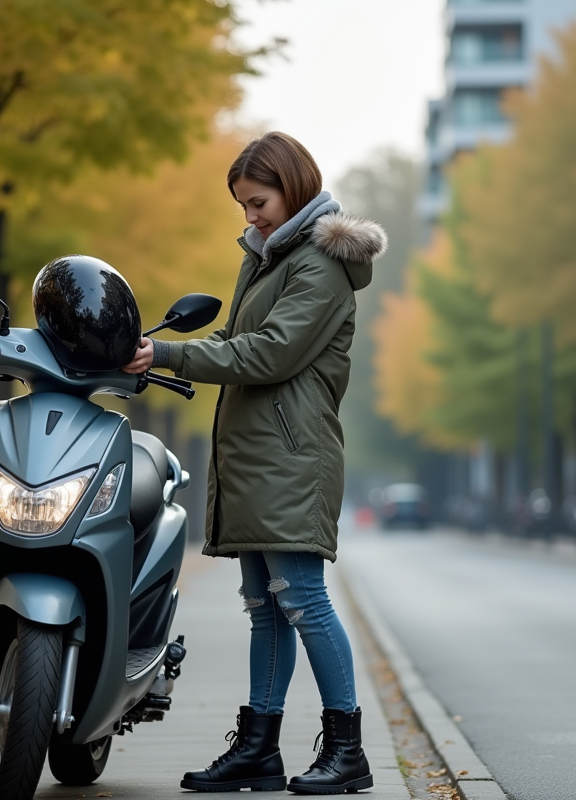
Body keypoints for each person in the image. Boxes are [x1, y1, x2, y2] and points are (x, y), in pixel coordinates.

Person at [123, 131, 386, 794]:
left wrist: (173, 356)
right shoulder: (267, 258)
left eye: (258, 201)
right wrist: (157, 349)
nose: (250, 215)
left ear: (292, 188)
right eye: (242, 204)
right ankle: (258, 750)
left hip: (290, 459)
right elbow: (238, 343)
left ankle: (347, 749)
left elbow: (269, 353)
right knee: (265, 609)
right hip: (257, 459)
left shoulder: (318, 264)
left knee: (302, 599)